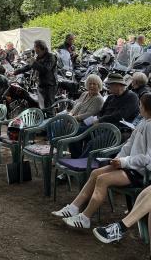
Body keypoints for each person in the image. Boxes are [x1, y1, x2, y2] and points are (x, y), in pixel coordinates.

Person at [52, 93, 151, 229]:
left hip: (139, 173)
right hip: (128, 165)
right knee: (95, 173)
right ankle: (74, 207)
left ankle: (85, 218)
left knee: (102, 180)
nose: (139, 107)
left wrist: (124, 162)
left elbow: (147, 158)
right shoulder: (143, 122)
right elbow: (129, 145)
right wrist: (118, 158)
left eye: (140, 105)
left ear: (147, 108)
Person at [68, 74, 105, 158]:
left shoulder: (99, 99)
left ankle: (76, 158)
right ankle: (56, 150)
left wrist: (73, 118)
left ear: (99, 85)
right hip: (74, 120)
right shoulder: (84, 94)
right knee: (55, 123)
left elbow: (89, 114)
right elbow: (76, 106)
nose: (91, 86)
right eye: (90, 83)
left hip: (87, 124)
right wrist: (70, 114)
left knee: (73, 132)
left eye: (94, 84)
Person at [14, 40, 57, 109]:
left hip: (49, 85)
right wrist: (15, 72)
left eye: (35, 47)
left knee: (48, 107)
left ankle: (51, 118)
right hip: (40, 85)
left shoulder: (50, 56)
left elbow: (45, 69)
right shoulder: (39, 57)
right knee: (41, 106)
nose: (34, 49)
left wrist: (34, 63)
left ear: (41, 47)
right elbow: (28, 66)